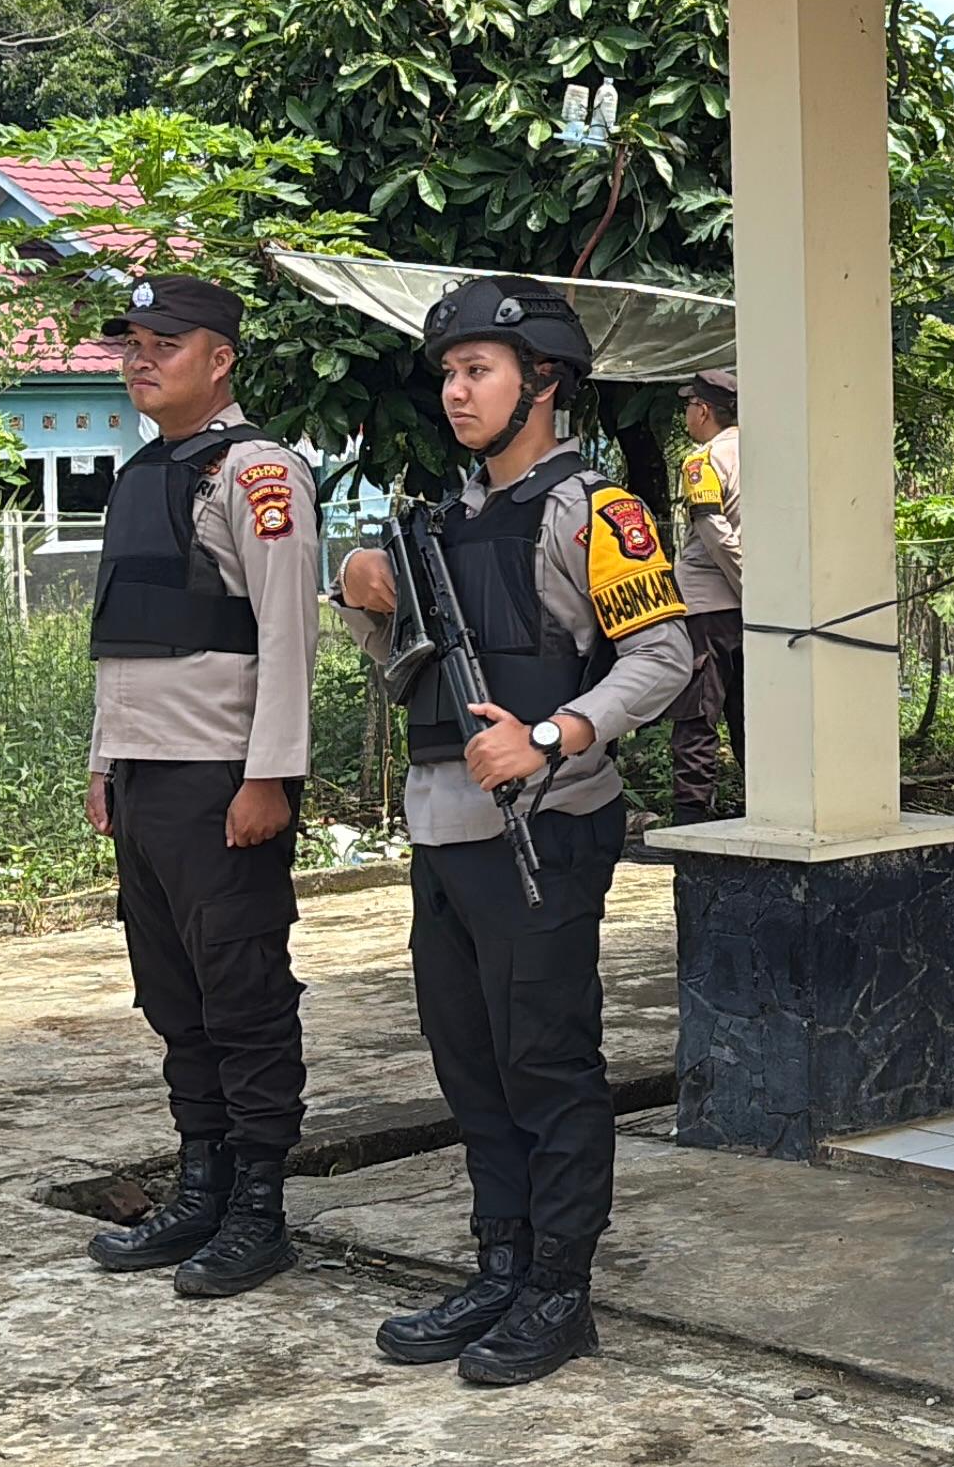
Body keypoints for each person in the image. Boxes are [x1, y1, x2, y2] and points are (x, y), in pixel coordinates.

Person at [335, 277, 692, 1388]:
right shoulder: (441, 520)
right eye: (447, 372)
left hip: (547, 829)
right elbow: (405, 675)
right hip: (443, 834)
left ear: (542, 381)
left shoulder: (600, 509)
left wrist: (551, 732)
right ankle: (501, 1258)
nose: (455, 390)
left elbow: (666, 658)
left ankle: (559, 1288)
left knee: (547, 1063)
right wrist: (365, 597)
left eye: (477, 369)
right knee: (471, 1063)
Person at [78, 272, 319, 1300]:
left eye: (162, 344)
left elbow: (288, 634)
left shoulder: (257, 473)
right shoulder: (139, 474)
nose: (140, 359)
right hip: (145, 782)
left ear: (219, 358)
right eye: (131, 343)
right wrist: (103, 763)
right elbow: (120, 640)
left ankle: (259, 1206)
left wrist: (269, 775)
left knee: (244, 996)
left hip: (224, 781)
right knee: (175, 995)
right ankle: (202, 1184)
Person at [666, 367, 744, 821]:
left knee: (697, 712)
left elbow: (712, 531)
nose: (686, 415)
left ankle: (693, 814)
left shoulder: (702, 459)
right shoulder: (768, 452)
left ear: (703, 410)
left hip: (707, 606)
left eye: (688, 406)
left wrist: (744, 583)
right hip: (756, 611)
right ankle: (766, 806)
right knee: (750, 712)